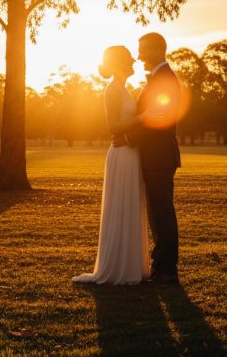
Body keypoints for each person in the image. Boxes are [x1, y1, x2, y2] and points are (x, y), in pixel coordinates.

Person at [72, 46, 151, 285]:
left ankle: (131, 264)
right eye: (129, 59)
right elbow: (112, 128)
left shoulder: (122, 89)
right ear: (118, 64)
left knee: (130, 204)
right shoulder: (112, 91)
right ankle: (118, 266)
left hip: (130, 152)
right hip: (121, 153)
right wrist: (143, 118)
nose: (134, 62)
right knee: (121, 204)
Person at [129, 32, 181, 285]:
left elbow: (158, 120)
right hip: (155, 157)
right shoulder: (159, 78)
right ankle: (162, 266)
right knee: (157, 214)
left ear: (155, 50)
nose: (138, 56)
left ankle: (166, 270)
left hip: (159, 157)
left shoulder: (165, 79)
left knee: (161, 214)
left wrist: (128, 138)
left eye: (141, 50)